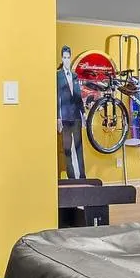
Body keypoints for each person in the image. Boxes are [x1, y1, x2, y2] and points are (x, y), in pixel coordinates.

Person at [56, 46, 85, 179]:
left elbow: (78, 95)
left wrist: (83, 112)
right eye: (65, 57)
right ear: (62, 58)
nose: (67, 60)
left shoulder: (74, 75)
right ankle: (71, 177)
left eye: (68, 57)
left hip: (76, 115)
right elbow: (57, 97)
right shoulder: (58, 76)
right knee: (67, 148)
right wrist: (58, 117)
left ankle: (82, 176)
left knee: (79, 147)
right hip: (65, 117)